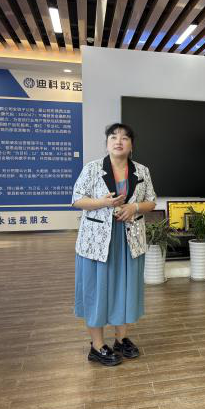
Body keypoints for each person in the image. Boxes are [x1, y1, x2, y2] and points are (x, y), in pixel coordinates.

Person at [72, 123, 157, 366]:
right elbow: (77, 199)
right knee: (96, 291)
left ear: (131, 145)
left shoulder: (141, 171)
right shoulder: (92, 169)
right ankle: (97, 346)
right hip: (97, 242)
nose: (119, 141)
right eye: (113, 137)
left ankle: (121, 339)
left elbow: (151, 201)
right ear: (107, 143)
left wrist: (134, 207)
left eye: (125, 138)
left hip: (130, 240)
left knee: (126, 289)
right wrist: (102, 202)